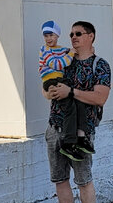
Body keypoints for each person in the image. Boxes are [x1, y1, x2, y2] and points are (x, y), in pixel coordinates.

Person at [45, 20, 111, 203]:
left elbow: (100, 98)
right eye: (71, 34)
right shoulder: (64, 63)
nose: (73, 37)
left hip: (81, 133)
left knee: (83, 180)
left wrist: (70, 91)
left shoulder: (99, 66)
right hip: (55, 127)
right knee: (60, 179)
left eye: (78, 33)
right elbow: (47, 90)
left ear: (91, 37)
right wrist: (51, 91)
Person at [38, 20, 92, 162]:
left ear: (57, 35)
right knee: (69, 108)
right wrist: (71, 54)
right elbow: (56, 64)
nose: (49, 39)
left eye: (51, 35)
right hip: (51, 81)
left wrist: (86, 51)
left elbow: (72, 52)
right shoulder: (45, 50)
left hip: (62, 82)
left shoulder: (61, 49)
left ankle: (81, 138)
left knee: (79, 103)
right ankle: (68, 144)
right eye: (46, 36)